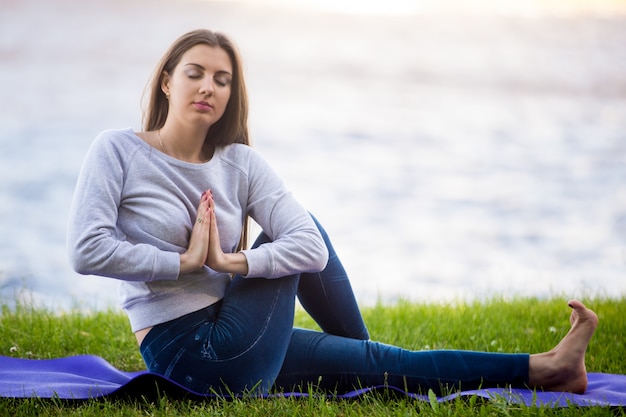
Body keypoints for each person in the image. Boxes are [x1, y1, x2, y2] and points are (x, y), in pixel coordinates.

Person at [67, 29, 598, 397]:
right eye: (195, 73)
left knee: (311, 253)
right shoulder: (116, 150)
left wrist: (231, 264)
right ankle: (370, 358)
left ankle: (549, 369)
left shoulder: (240, 163)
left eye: (222, 79)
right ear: (166, 81)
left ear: (232, 94)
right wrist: (185, 263)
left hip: (243, 341)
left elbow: (309, 248)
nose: (209, 86)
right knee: (298, 240)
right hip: (187, 356)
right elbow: (85, 250)